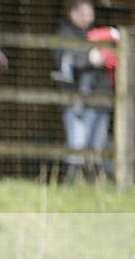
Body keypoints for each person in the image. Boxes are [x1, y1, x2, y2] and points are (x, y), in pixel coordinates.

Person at [53, 0, 115, 182]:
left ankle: (92, 187)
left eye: (89, 11)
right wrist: (88, 58)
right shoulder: (64, 33)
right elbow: (65, 62)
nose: (86, 15)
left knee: (96, 148)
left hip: (101, 99)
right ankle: (70, 185)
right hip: (77, 100)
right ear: (71, 12)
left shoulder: (100, 35)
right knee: (78, 146)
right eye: (81, 11)